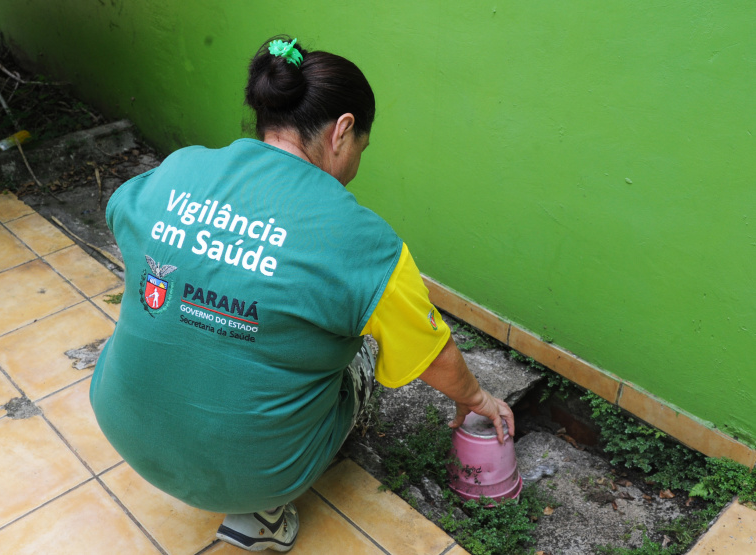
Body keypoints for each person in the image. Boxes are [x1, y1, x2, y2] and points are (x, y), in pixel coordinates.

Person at [90, 36, 515, 552]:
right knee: (362, 343)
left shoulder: (180, 168)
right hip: (255, 476)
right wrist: (479, 398)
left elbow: (121, 212)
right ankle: (261, 514)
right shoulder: (363, 243)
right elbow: (433, 354)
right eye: (361, 147)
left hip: (120, 425)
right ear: (342, 131)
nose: (357, 161)